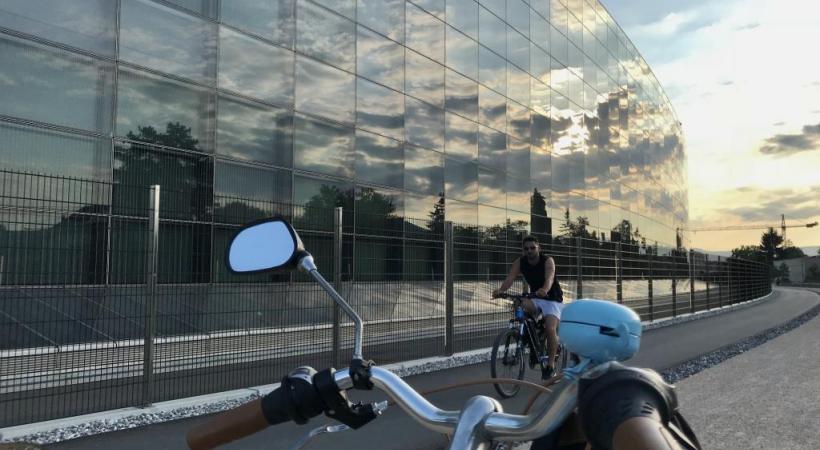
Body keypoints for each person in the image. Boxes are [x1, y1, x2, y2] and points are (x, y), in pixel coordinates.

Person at [492, 235, 563, 379]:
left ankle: (550, 366)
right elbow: (510, 278)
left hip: (552, 299)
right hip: (535, 297)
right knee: (518, 302)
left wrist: (544, 289)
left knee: (550, 328)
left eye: (532, 248)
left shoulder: (547, 260)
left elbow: (549, 278)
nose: (529, 251)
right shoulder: (520, 261)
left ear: (539, 248)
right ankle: (528, 336)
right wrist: (501, 291)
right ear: (523, 250)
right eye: (526, 249)